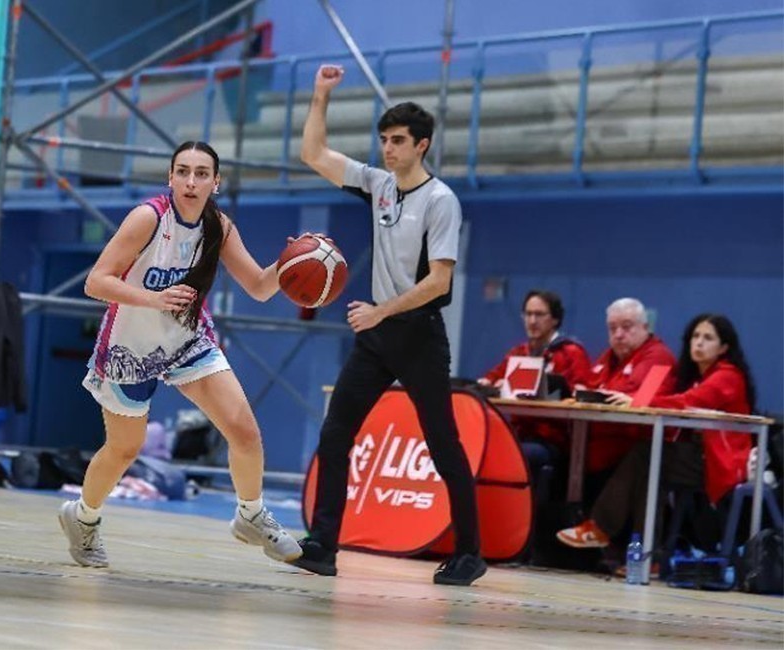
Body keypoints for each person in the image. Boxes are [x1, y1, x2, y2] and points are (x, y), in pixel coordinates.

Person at [58, 141, 301, 568]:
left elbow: (260, 288)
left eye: (202, 173)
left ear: (216, 182)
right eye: (183, 172)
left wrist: (293, 262)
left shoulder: (218, 227)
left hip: (187, 339)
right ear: (170, 178)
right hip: (128, 347)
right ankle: (83, 517)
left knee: (244, 430)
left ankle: (250, 514)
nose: (192, 181)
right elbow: (95, 282)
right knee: (123, 450)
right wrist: (152, 298)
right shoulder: (147, 219)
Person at [293, 64, 484, 585]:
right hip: (377, 336)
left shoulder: (442, 201)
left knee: (443, 444)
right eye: (383, 140)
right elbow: (313, 155)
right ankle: (322, 546)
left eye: (397, 140)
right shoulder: (377, 184)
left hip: (418, 333)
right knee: (335, 434)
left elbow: (440, 282)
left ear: (422, 145)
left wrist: (380, 310)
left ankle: (470, 552)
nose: (387, 149)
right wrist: (320, 96)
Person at [557, 314, 755, 549]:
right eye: (695, 336)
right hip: (697, 458)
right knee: (650, 466)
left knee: (646, 455)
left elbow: (690, 401)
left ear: (723, 347)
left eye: (708, 338)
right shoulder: (696, 377)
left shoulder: (728, 376)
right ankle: (647, 555)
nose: (699, 343)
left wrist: (637, 401)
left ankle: (600, 528)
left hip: (720, 462)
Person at [478, 290, 592, 502]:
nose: (532, 321)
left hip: (554, 440)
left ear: (555, 319)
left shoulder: (571, 353)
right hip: (519, 434)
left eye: (539, 315)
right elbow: (490, 378)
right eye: (528, 314)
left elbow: (583, 393)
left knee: (518, 455)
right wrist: (490, 384)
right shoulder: (518, 353)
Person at [578, 298, 677, 474]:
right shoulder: (609, 357)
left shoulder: (661, 358)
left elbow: (641, 402)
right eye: (612, 328)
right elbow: (588, 388)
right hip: (595, 444)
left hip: (634, 450)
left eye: (626, 326)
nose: (618, 334)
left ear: (645, 328)